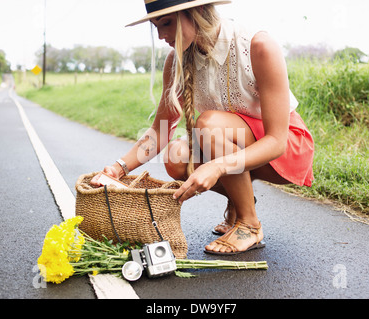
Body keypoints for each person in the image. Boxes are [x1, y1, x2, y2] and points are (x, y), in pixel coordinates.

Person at [91, 0, 314, 255]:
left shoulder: (258, 45)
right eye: (156, 26)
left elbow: (277, 141)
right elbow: (161, 130)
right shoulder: (176, 60)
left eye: (167, 23)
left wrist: (217, 166)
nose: (162, 35)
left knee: (207, 124)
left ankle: (249, 225)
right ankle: (241, 203)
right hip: (234, 147)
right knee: (176, 157)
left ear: (196, 12)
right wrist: (118, 168)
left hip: (286, 151)